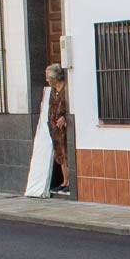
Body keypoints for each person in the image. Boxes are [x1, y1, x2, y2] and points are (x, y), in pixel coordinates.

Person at [45, 64, 70, 195]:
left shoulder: (65, 89)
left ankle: (69, 181)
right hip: (55, 128)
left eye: (48, 78)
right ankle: (64, 181)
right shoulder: (53, 90)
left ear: (55, 77)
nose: (47, 80)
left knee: (66, 153)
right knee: (60, 153)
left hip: (64, 128)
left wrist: (65, 117)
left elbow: (70, 107)